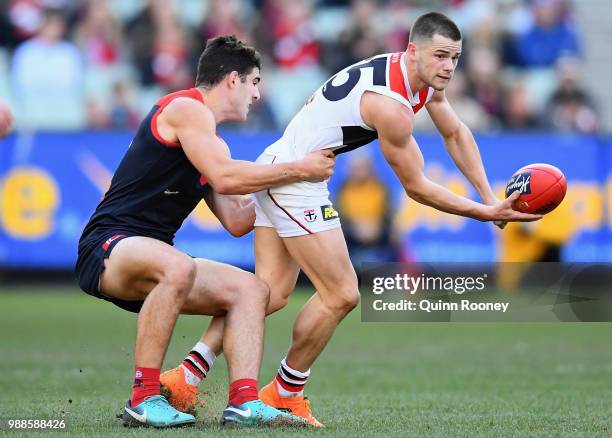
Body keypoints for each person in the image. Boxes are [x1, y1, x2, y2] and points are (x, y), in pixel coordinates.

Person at [161, 13, 541, 426]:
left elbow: (455, 133)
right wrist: (486, 213)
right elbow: (416, 186)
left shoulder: (413, 75)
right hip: (295, 178)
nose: (449, 66)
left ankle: (185, 377)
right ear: (414, 51)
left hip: (283, 163)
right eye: (441, 56)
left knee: (268, 293)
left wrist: (489, 194)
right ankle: (285, 392)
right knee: (341, 293)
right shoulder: (392, 106)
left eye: (455, 57)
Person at [75, 35, 335, 428]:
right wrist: (297, 169)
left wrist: (296, 197)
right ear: (233, 79)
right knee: (179, 266)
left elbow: (236, 221)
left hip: (154, 260)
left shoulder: (210, 143)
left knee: (252, 290)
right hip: (108, 246)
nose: (258, 95)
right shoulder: (185, 108)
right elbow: (227, 179)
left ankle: (244, 403)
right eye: (255, 82)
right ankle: (143, 399)